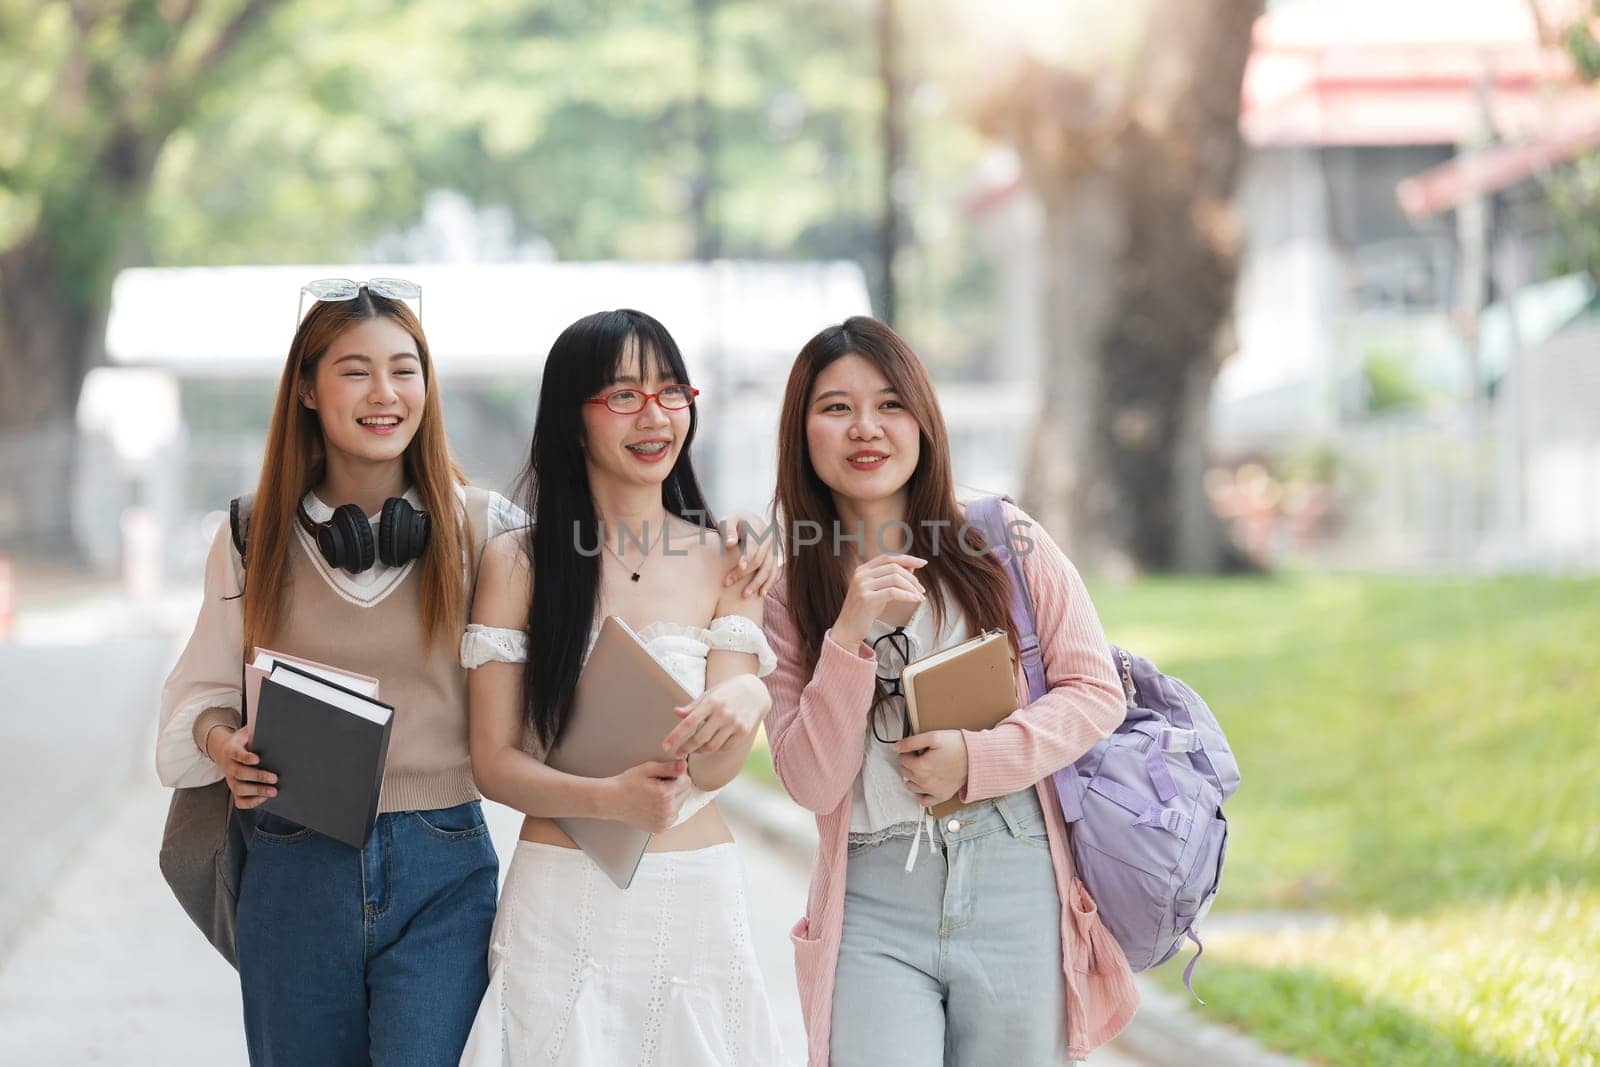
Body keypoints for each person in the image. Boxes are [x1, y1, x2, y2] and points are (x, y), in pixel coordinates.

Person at [760, 316, 1141, 1066]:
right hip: (872, 898)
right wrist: (848, 633)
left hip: (1015, 879)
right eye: (835, 407)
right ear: (802, 432)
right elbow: (810, 778)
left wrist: (979, 758)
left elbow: (1094, 689)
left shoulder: (1003, 539)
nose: (865, 427)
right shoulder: (790, 591)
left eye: (890, 403)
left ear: (924, 421)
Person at [458, 308, 792, 1066]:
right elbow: (493, 761)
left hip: (694, 895)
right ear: (572, 420)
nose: (656, 416)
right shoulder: (517, 563)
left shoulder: (727, 561)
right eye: (624, 396)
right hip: (561, 902)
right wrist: (608, 799)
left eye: (673, 392)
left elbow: (714, 769)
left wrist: (750, 698)